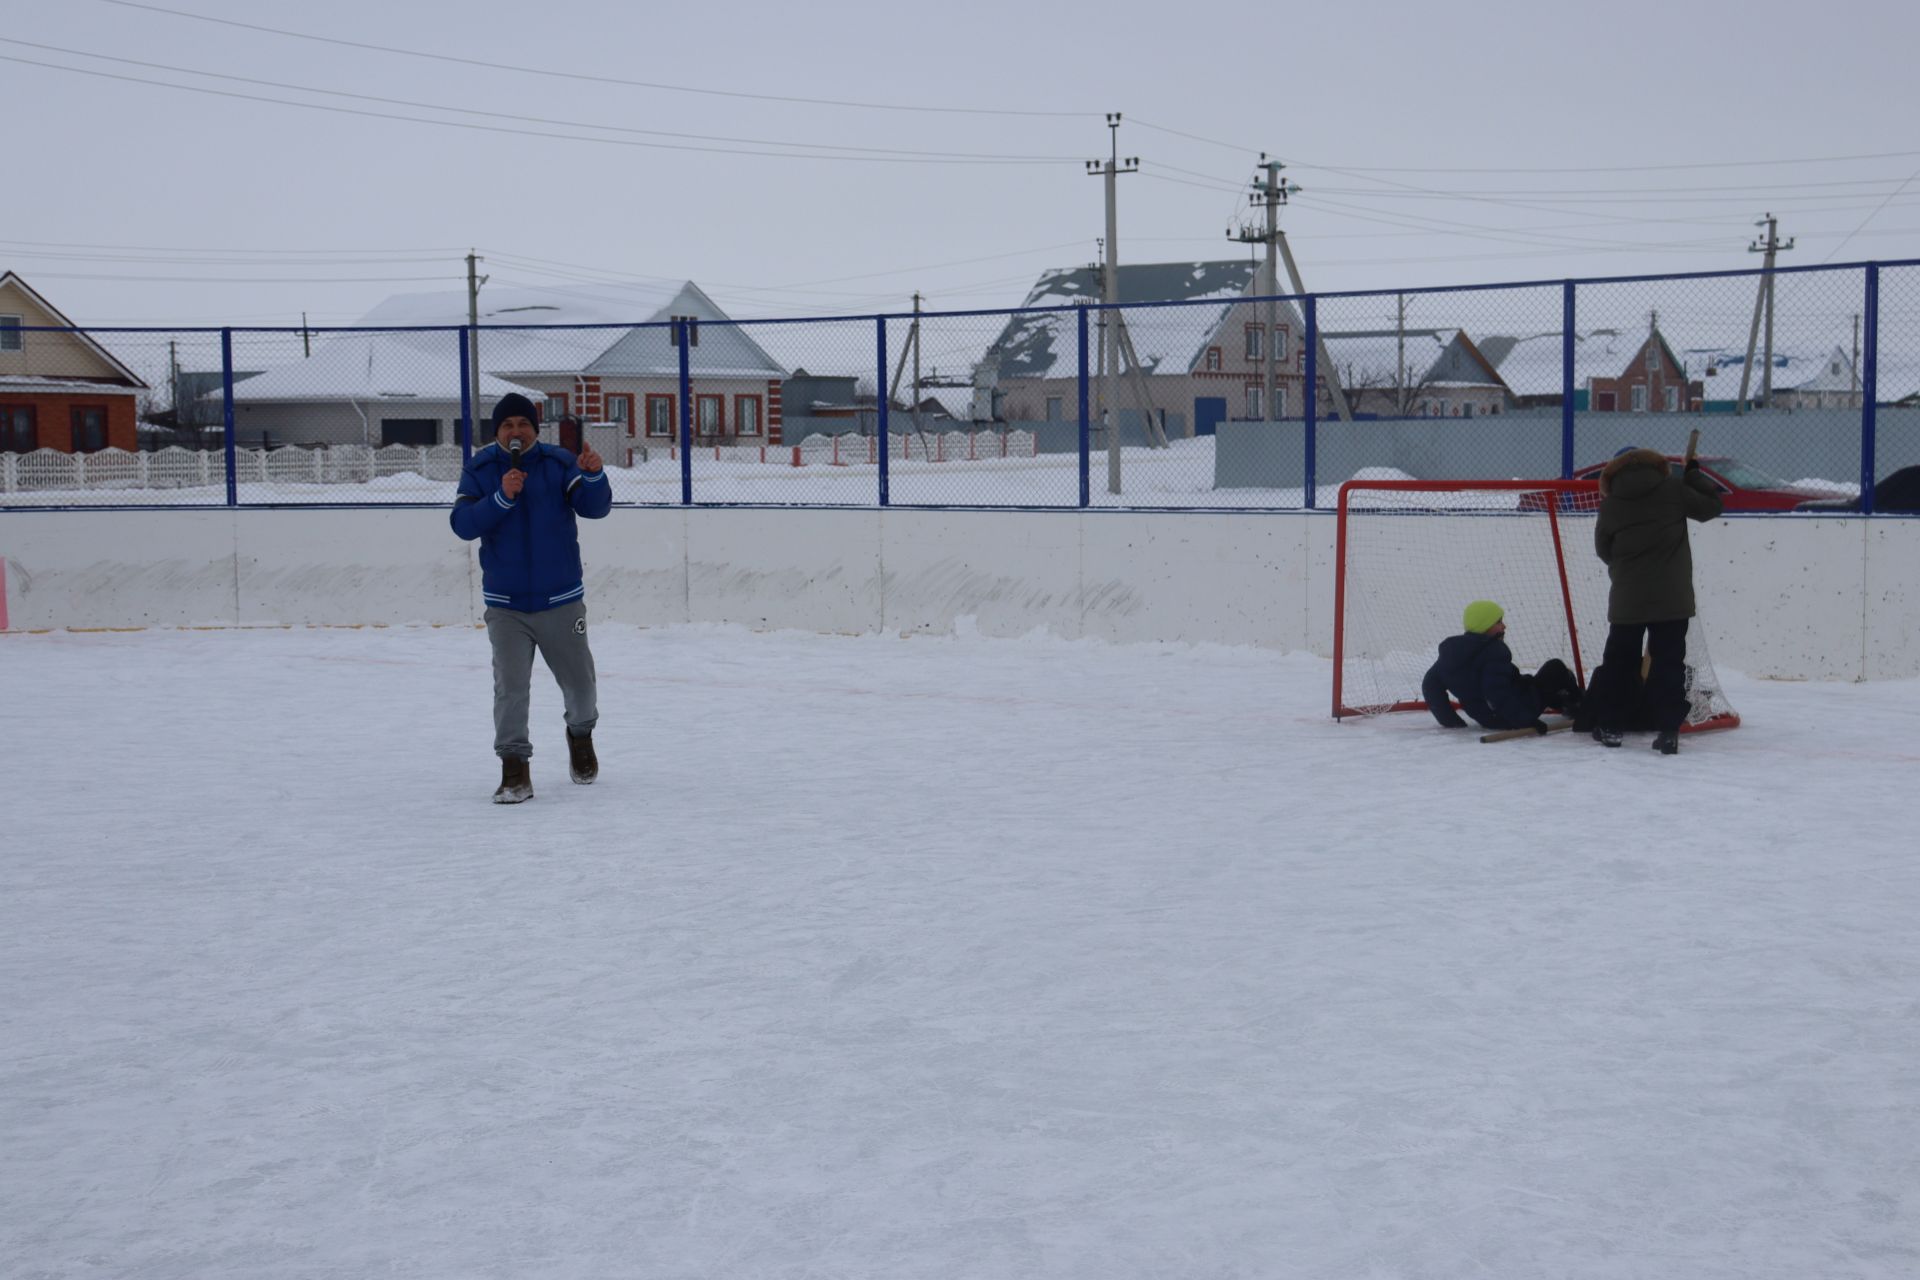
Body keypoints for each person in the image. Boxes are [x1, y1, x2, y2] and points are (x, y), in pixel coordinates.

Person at [450, 392, 612, 802]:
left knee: (580, 687)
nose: (516, 431)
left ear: (536, 430)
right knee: (511, 689)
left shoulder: (559, 463)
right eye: (507, 425)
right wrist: (501, 496)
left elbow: (596, 509)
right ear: (498, 432)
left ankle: (580, 736)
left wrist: (593, 475)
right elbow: (463, 524)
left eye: (523, 424)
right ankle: (514, 770)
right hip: (506, 606)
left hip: (562, 600)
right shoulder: (481, 469)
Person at [1590, 446, 1723, 754]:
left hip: (1627, 598)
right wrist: (1693, 475)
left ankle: (1611, 726)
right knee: (1668, 664)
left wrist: (1624, 568)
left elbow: (1603, 549)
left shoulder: (1611, 504)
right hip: (1672, 599)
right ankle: (1667, 730)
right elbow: (1711, 507)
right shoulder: (1674, 491)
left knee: (1619, 664)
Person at [1422, 599, 1583, 734]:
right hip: (1514, 714)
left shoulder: (1451, 653)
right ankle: (1582, 706)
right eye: (1498, 622)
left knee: (1531, 682)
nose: (1504, 626)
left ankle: (1563, 702)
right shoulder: (1494, 652)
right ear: (1485, 626)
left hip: (1487, 718)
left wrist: (1451, 721)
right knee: (1556, 668)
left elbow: (1430, 685)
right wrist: (1526, 720)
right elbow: (1496, 693)